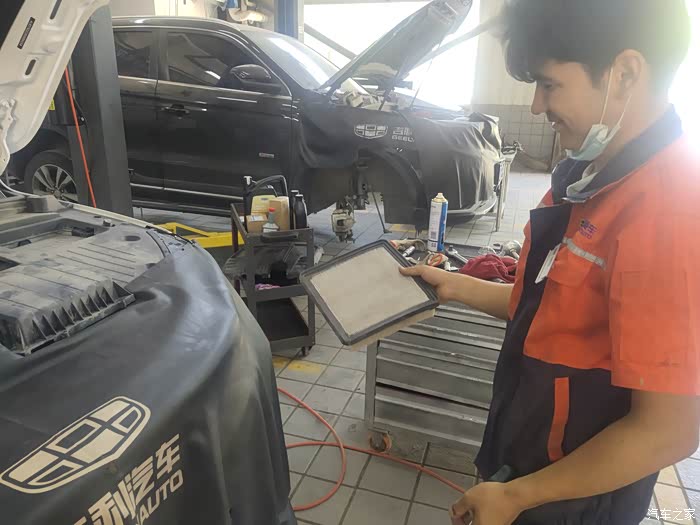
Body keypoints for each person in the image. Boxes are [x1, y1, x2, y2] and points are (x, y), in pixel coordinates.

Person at [401, 1, 698, 523]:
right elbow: (553, 309)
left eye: (549, 85)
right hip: (527, 461)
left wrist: (519, 497)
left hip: (574, 500)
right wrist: (450, 284)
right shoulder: (588, 178)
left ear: (626, 73)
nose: (537, 106)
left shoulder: (668, 212)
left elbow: (668, 429)